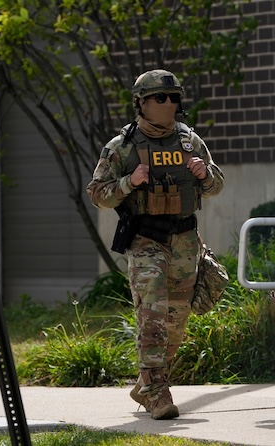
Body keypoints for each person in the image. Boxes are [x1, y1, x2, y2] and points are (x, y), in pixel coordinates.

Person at [86, 69, 225, 420]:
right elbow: (97, 194)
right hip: (147, 239)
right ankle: (156, 390)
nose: (168, 104)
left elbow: (215, 185)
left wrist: (204, 175)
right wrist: (129, 183)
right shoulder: (123, 147)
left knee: (176, 321)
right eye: (160, 98)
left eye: (174, 98)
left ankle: (146, 381)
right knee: (151, 315)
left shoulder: (190, 141)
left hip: (185, 239)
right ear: (141, 103)